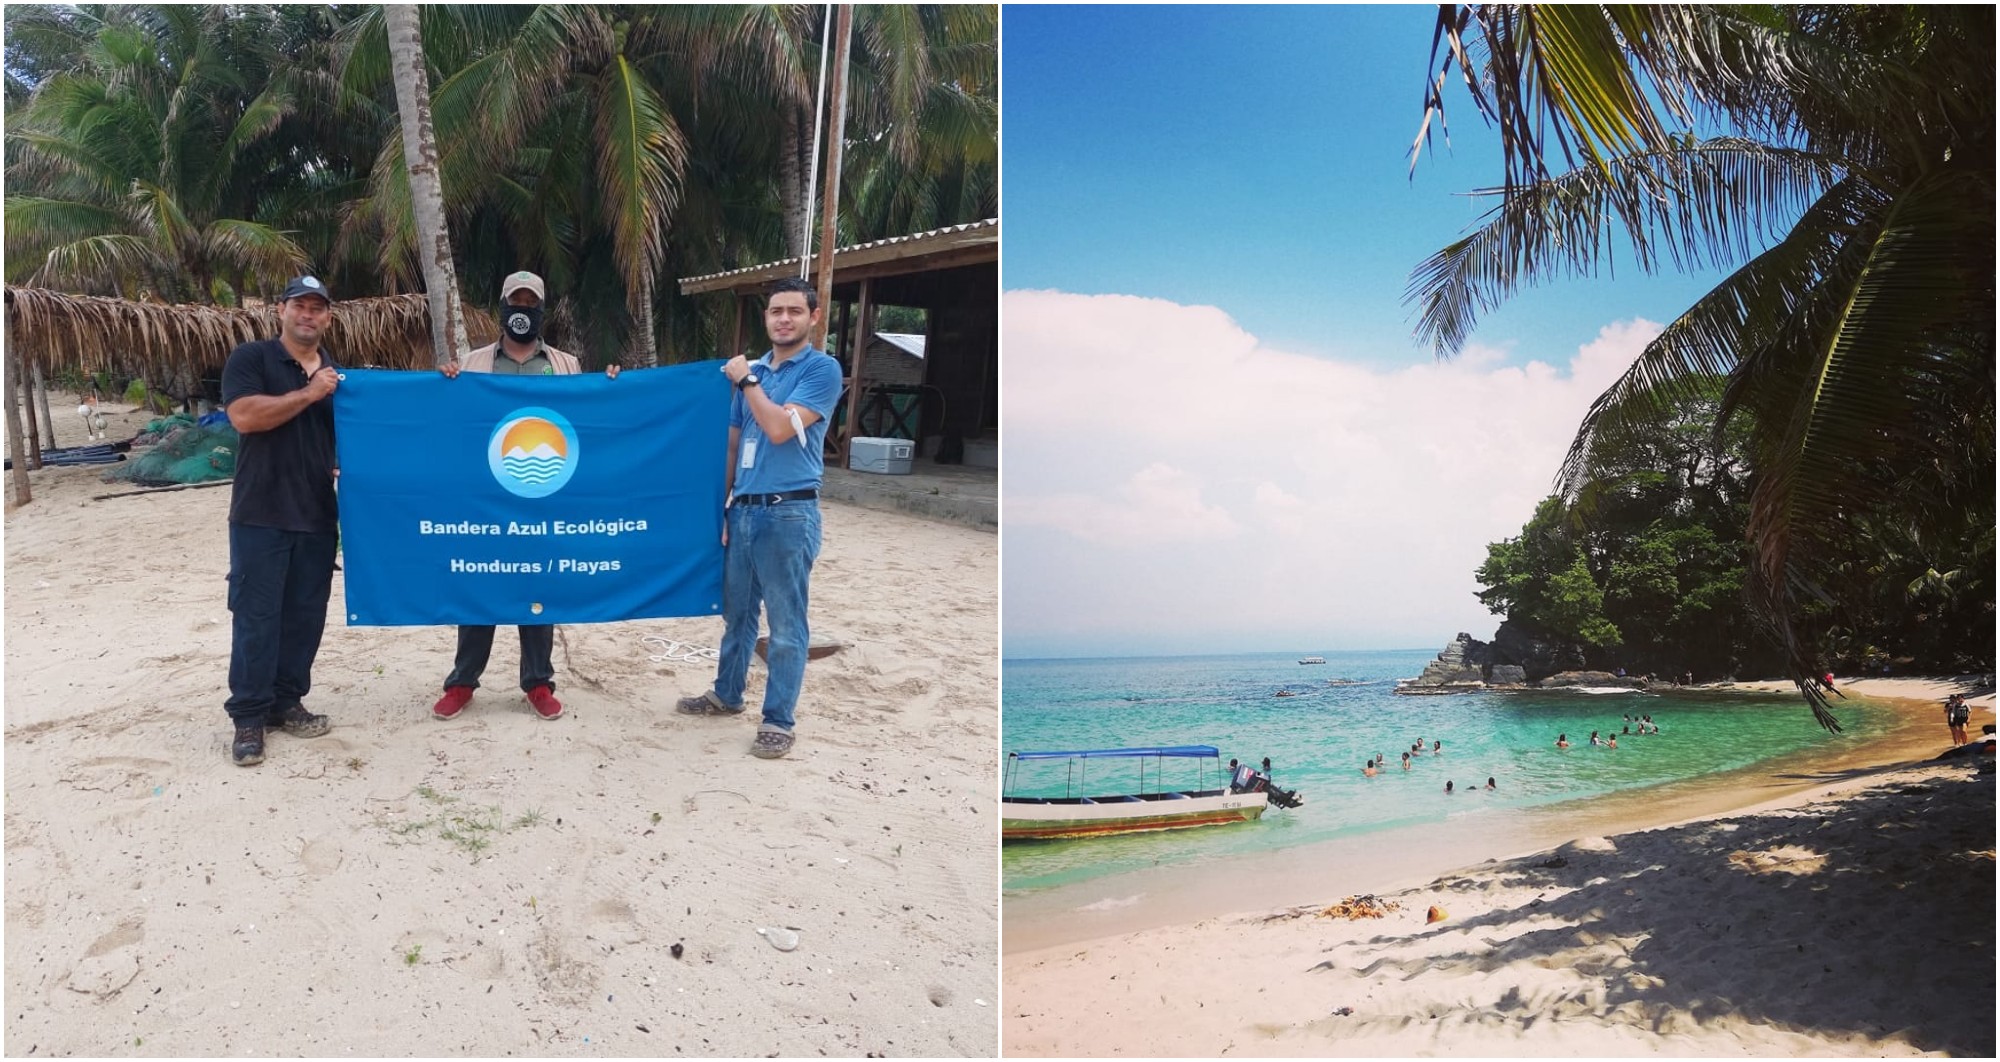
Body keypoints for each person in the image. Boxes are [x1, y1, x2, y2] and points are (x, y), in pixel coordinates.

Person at [432, 271, 617, 722]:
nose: (522, 310)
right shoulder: (473, 363)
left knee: (538, 583)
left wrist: (613, 388)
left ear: (541, 310)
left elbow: (587, 421)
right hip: (484, 497)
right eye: (514, 302)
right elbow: (451, 423)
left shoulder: (566, 364)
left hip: (544, 494)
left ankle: (538, 682)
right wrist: (443, 384)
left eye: (529, 303)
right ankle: (461, 682)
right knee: (481, 581)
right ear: (502, 307)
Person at [676, 277, 843, 759]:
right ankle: (727, 694)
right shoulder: (754, 373)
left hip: (789, 511)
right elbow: (732, 443)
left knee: (788, 624)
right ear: (766, 318)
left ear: (813, 317)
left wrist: (746, 380)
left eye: (794, 311)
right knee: (738, 616)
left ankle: (778, 721)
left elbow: (776, 428)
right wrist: (723, 505)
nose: (783, 319)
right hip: (745, 511)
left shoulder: (821, 370)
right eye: (775, 311)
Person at [220, 275, 342, 766]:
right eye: (300, 306)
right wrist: (310, 394)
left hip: (316, 515)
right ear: (281, 311)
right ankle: (249, 718)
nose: (307, 315)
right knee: (256, 617)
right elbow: (245, 417)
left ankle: (287, 701)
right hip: (261, 513)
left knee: (305, 617)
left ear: (328, 317)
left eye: (317, 308)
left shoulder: (337, 376)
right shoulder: (252, 359)